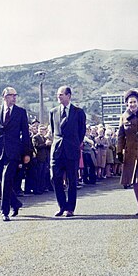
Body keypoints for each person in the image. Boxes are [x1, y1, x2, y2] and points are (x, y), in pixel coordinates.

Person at [0, 87, 31, 222]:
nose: (14, 98)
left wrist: (27, 152)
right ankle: (15, 203)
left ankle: (4, 210)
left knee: (6, 178)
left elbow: (26, 134)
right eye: (11, 96)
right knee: (3, 181)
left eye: (15, 95)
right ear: (4, 97)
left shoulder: (21, 112)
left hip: (14, 151)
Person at [49, 86, 86, 217]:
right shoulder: (53, 112)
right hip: (57, 150)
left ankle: (70, 208)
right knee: (55, 178)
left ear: (69, 96)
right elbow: (54, 132)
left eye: (61, 95)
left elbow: (81, 132)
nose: (58, 97)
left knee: (71, 179)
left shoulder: (78, 112)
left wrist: (74, 143)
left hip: (71, 150)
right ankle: (61, 205)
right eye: (58, 95)